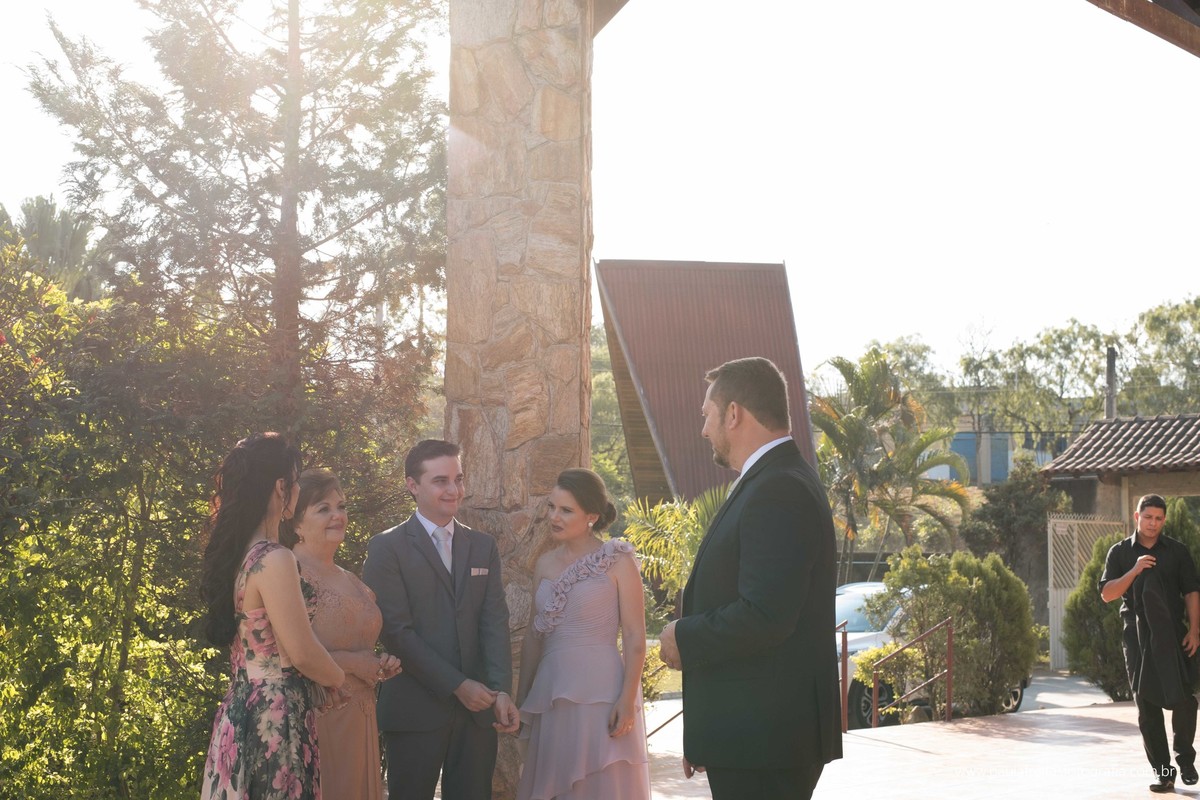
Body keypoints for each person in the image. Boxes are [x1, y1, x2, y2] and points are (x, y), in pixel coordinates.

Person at [657, 357, 842, 800]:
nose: (703, 430)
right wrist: (711, 731)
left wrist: (684, 636)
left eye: (707, 414)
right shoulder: (771, 479)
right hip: (752, 738)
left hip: (767, 742)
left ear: (734, 413)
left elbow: (766, 615)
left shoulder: (779, 488)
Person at [361, 439, 519, 800]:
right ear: (412, 485)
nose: (454, 489)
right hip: (415, 710)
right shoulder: (387, 548)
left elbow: (494, 621)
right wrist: (458, 685)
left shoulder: (482, 546)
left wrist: (501, 690)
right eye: (440, 480)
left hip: (479, 712)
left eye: (458, 479)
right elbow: (396, 632)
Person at [199, 433, 347, 800]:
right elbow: (302, 652)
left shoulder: (237, 554)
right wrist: (336, 678)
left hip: (240, 710)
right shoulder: (274, 558)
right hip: (274, 720)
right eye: (295, 482)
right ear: (282, 487)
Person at [514, 468, 651, 800]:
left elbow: (635, 636)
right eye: (552, 508)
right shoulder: (544, 564)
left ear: (591, 516)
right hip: (553, 695)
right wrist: (522, 700)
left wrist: (628, 700)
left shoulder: (618, 560)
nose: (554, 517)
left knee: (598, 786)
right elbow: (535, 638)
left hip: (602, 695)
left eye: (565, 510)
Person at [282, 468, 402, 800]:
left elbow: (361, 647)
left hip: (361, 719)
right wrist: (353, 663)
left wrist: (379, 663)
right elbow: (282, 657)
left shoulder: (350, 578)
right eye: (324, 508)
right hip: (317, 721)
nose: (338, 515)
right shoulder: (289, 573)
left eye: (342, 506)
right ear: (294, 523)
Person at [1100, 493, 1200, 793]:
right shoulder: (1119, 553)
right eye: (1148, 517)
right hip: (1136, 635)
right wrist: (1134, 570)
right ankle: (1164, 772)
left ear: (1164, 520)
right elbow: (1107, 594)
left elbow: (1192, 591)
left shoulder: (1178, 552)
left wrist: (1195, 631)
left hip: (1175, 633)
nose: (1153, 523)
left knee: (1185, 698)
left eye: (1158, 518)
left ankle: (1184, 758)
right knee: (1147, 704)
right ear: (1136, 517)